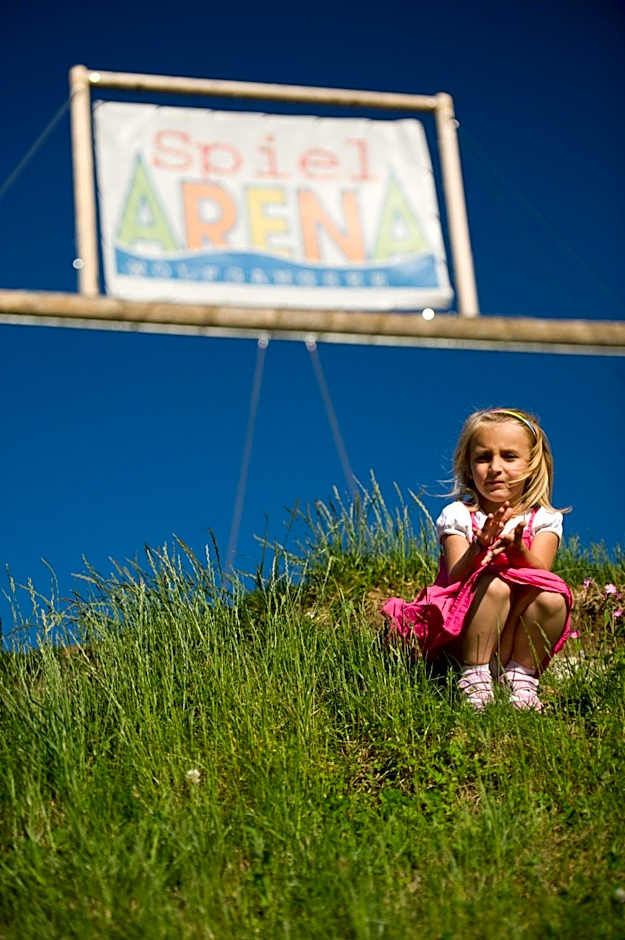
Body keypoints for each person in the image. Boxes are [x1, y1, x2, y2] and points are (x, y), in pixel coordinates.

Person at [382, 408, 572, 710]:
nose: (495, 467)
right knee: (494, 584)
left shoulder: (544, 519)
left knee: (552, 597)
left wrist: (519, 553)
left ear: (532, 465)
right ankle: (474, 677)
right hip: (464, 631)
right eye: (483, 458)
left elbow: (543, 573)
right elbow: (456, 575)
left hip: (514, 631)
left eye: (509, 456)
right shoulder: (458, 515)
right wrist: (479, 546)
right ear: (469, 468)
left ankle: (521, 678)